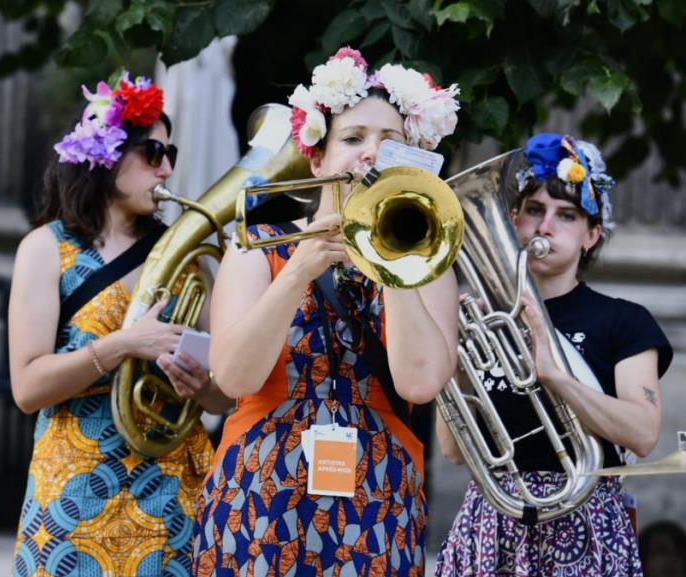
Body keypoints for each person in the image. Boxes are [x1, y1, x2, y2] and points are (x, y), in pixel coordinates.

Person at [192, 47, 461, 576]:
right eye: (354, 138)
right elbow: (233, 376)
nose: (371, 155)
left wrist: (396, 264)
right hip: (259, 498)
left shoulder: (429, 259)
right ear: (316, 158)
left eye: (391, 144)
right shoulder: (257, 248)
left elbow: (420, 384)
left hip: (378, 502)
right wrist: (296, 270)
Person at [7, 71, 233, 577]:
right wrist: (125, 345)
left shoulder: (190, 260)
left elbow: (227, 396)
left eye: (170, 155)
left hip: (172, 491)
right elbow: (27, 387)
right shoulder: (47, 249)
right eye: (153, 154)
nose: (167, 169)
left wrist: (202, 387)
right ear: (106, 154)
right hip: (73, 491)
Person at [435, 133, 674, 576]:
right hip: (493, 522)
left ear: (592, 235)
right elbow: (452, 450)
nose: (546, 226)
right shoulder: (486, 318)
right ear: (513, 220)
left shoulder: (624, 321)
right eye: (534, 211)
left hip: (585, 521)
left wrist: (558, 378)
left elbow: (642, 434)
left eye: (567, 215)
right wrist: (458, 360)